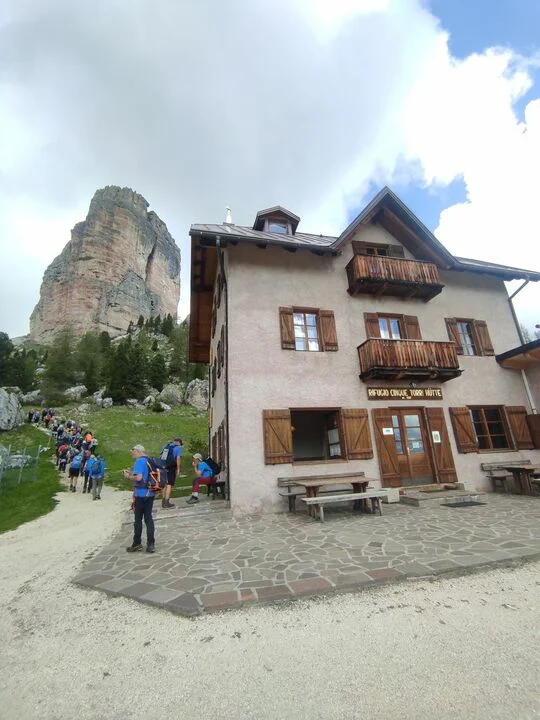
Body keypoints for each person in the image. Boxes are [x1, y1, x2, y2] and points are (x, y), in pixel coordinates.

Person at [123, 444, 155, 553]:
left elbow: (139, 477)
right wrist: (132, 472)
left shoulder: (139, 461)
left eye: (133, 452)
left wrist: (128, 476)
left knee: (138, 520)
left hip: (140, 494)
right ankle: (151, 544)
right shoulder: (149, 460)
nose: (132, 454)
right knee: (148, 518)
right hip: (150, 493)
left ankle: (137, 543)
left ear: (138, 451)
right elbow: (145, 475)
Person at [162, 437, 184, 509]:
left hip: (164, 467)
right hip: (171, 467)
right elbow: (178, 458)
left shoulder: (166, 446)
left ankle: (163, 501)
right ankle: (167, 502)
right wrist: (178, 469)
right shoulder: (178, 448)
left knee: (165, 484)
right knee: (169, 484)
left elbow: (162, 457)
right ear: (179, 443)